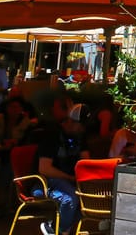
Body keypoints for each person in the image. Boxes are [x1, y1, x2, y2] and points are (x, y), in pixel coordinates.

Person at [34, 96, 89, 235]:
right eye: (81, 125)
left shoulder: (80, 136)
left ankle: (59, 229)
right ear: (71, 121)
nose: (83, 129)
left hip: (69, 182)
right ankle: (56, 230)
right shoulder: (52, 135)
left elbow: (86, 163)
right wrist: (70, 178)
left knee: (86, 198)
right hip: (45, 183)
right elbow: (44, 168)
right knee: (70, 198)